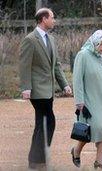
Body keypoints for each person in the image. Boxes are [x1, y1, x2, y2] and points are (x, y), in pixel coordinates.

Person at [19, 8, 72, 169]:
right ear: (43, 19)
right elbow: (24, 65)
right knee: (48, 121)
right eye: (52, 18)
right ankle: (37, 158)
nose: (54, 20)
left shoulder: (51, 39)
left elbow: (56, 66)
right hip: (36, 90)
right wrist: (26, 87)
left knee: (42, 123)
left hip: (48, 90)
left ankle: (36, 160)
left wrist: (65, 84)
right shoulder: (30, 39)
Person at [71, 30, 102, 169]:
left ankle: (99, 160)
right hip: (89, 99)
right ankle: (76, 151)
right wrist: (79, 101)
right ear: (95, 42)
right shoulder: (83, 55)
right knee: (93, 129)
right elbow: (77, 80)